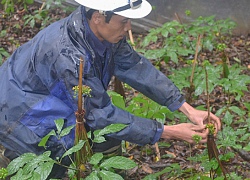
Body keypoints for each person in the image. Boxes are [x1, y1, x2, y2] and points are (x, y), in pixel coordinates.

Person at [0, 0, 221, 178]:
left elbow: (135, 67)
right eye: (124, 21)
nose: (129, 28)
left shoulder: (103, 34)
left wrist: (187, 109)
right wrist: (169, 132)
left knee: (107, 136)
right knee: (52, 158)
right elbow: (100, 116)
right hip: (19, 110)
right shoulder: (68, 55)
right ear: (98, 16)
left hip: (50, 101)